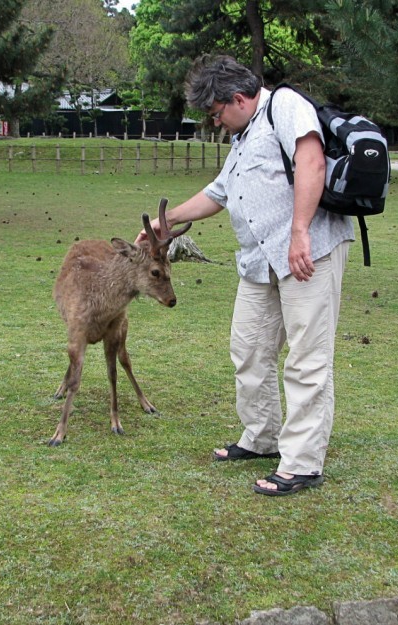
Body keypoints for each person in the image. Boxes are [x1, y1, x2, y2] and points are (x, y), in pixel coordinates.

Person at [136, 55, 354, 496]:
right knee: (249, 347)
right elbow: (220, 191)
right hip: (260, 262)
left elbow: (311, 162)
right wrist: (167, 220)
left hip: (305, 253)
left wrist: (298, 234)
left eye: (217, 114)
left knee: (307, 357)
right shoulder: (244, 135)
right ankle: (262, 437)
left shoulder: (286, 106)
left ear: (238, 98)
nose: (217, 124)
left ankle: (303, 463)